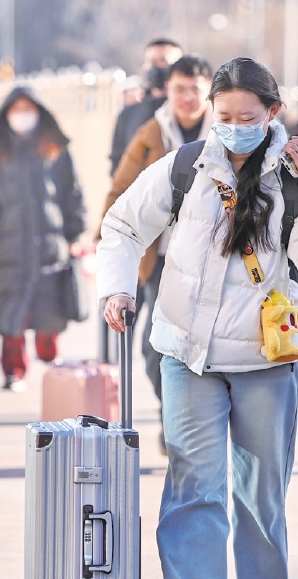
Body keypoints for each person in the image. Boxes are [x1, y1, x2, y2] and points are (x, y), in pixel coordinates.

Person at [96, 57, 298, 579]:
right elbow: (123, 223)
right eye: (225, 115)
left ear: (273, 113)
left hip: (266, 359)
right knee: (193, 485)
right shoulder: (186, 166)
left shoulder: (295, 176)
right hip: (187, 354)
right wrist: (118, 288)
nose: (234, 126)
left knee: (262, 492)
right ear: (212, 111)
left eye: (248, 116)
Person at [101, 54, 214, 454]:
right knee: (154, 345)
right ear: (167, 89)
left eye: (195, 90)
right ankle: (173, 415)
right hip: (160, 260)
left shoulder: (226, 131)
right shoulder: (151, 132)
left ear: (208, 93)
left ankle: (195, 425)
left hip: (213, 261)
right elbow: (120, 192)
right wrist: (111, 249)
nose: (187, 97)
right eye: (179, 89)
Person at [0, 87, 85, 392]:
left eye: (28, 109)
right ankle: (14, 371)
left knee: (50, 310)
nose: (22, 116)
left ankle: (52, 365)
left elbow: (73, 196)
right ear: (6, 116)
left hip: (51, 247)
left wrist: (75, 235)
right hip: (10, 249)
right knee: (12, 313)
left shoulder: (56, 151)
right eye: (16, 110)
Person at [109, 39, 183, 176]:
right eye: (153, 62)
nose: (158, 67)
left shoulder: (190, 112)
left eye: (164, 62)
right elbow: (117, 162)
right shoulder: (128, 115)